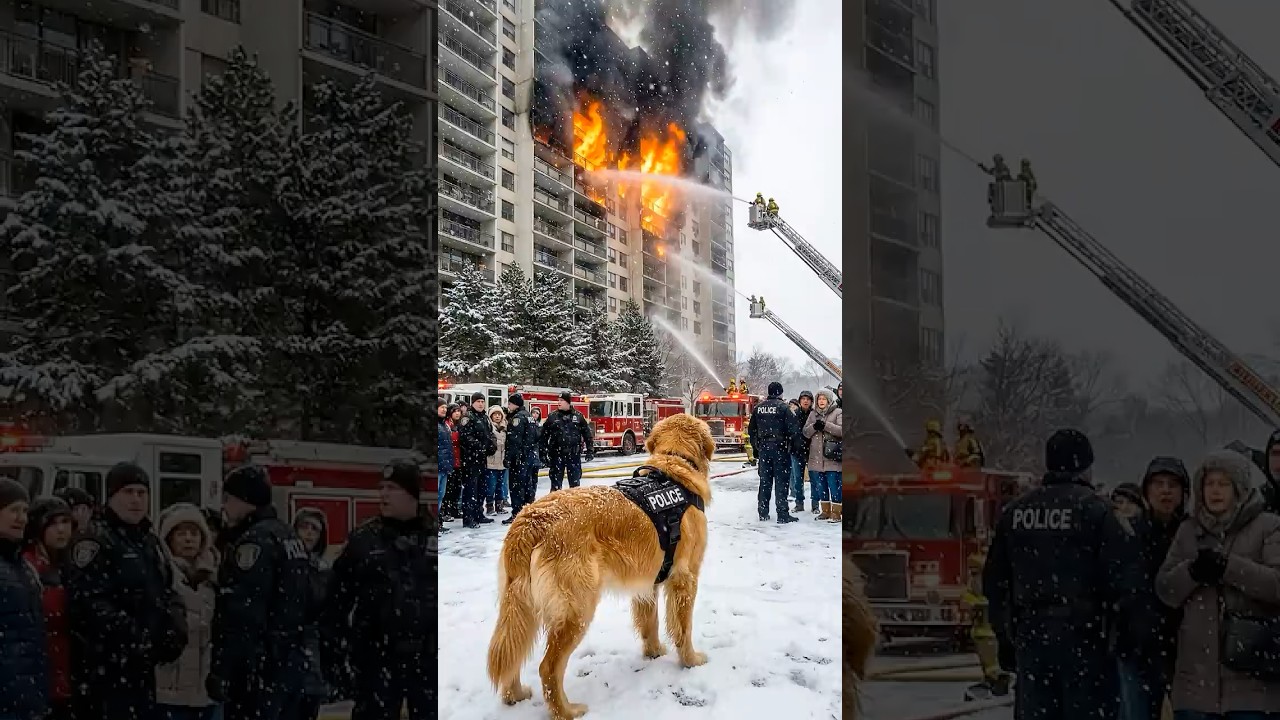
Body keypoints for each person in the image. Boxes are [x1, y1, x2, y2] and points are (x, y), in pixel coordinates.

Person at [983, 429, 1141, 720]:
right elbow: (1126, 581)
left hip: (1032, 637)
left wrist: (1005, 637)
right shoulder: (1099, 512)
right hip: (1086, 639)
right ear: (1086, 466)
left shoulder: (1015, 513)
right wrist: (1120, 636)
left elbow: (995, 583)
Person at [1156, 449, 1280, 719]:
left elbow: (1276, 585)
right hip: (1195, 685)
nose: (1215, 491)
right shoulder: (1188, 530)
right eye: (1209, 483)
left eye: (1223, 484)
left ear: (1239, 489)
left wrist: (1229, 567)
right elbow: (1165, 590)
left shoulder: (1267, 526)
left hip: (1252, 684)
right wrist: (1192, 571)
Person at [65, 462, 188, 720]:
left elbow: (168, 588)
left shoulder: (149, 541)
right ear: (111, 496)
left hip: (142, 669)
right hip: (105, 669)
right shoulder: (94, 539)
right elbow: (89, 603)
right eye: (128, 492)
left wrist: (174, 625)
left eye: (142, 493)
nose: (136, 500)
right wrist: (136, 637)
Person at [321, 461, 431, 719]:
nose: (384, 494)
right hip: (377, 661)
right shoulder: (363, 540)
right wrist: (336, 658)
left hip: (427, 662)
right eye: (382, 487)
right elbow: (335, 603)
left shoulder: (432, 536)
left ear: (412, 494)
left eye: (392, 488)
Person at [207, 465, 310, 720]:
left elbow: (241, 613)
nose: (224, 506)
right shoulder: (287, 535)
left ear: (245, 500)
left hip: (259, 669)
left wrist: (224, 668)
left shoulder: (254, 542)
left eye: (228, 498)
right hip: (290, 662)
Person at [1116, 457, 1188, 720]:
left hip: (1184, 648)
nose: (1165, 491)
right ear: (1146, 490)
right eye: (1158, 484)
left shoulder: (1192, 534)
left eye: (1172, 485)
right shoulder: (1127, 534)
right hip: (1136, 646)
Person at [155, 503, 220, 720]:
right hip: (169, 687)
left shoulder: (214, 578)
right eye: (181, 534)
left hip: (206, 689)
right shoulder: (161, 575)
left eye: (194, 533)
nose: (188, 539)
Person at [0, 478, 49, 720]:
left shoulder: (24, 566)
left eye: (25, 511)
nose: (22, 518)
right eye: (13, 510)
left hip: (26, 693)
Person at [23, 498, 74, 720]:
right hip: (44, 672)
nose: (61, 529)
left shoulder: (74, 562)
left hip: (70, 673)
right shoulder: (29, 567)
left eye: (65, 521)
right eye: (53, 523)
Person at [293, 508, 333, 720]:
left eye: (314, 529)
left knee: (310, 703)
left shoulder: (324, 570)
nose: (309, 533)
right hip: (288, 639)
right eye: (304, 527)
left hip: (315, 642)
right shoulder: (284, 563)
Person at [748, 381, 800, 524]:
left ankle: (763, 512)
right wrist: (793, 448)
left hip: (764, 448)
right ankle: (782, 514)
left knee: (765, 482)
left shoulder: (758, 408)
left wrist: (756, 449)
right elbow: (794, 430)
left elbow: (752, 431)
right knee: (781, 482)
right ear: (781, 393)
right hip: (780, 448)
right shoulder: (784, 408)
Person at [538, 392, 594, 492]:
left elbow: (587, 434)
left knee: (575, 486)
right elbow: (543, 436)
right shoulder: (552, 417)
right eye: (558, 400)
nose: (559, 402)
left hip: (573, 455)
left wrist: (590, 450)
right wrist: (542, 453)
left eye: (562, 400)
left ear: (568, 402)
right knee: (555, 486)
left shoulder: (578, 416)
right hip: (556, 455)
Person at [457, 392, 497, 528]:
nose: (481, 404)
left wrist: (492, 445)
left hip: (482, 459)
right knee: (471, 489)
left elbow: (490, 434)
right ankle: (469, 518)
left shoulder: (485, 417)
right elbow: (465, 437)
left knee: (482, 488)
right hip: (471, 459)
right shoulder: (468, 417)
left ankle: (479, 513)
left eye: (482, 401)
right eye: (478, 401)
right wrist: (480, 447)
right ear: (473, 403)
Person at [803, 389, 843, 523]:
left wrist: (826, 425)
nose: (821, 401)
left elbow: (842, 430)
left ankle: (836, 513)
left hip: (832, 456)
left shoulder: (838, 412)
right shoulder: (813, 414)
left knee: (834, 485)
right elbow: (805, 432)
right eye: (819, 399)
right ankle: (825, 511)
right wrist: (814, 426)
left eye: (823, 399)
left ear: (829, 400)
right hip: (816, 457)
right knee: (821, 486)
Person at [503, 394, 537, 526]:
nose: (508, 406)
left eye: (510, 403)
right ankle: (528, 511)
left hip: (519, 458)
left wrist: (509, 458)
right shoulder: (529, 416)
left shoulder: (517, 418)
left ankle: (517, 513)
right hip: (528, 457)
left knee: (516, 487)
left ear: (515, 404)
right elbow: (535, 436)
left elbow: (514, 441)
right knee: (528, 485)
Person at [792, 391, 818, 514]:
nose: (805, 401)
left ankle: (815, 505)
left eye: (808, 399)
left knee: (814, 479)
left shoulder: (815, 415)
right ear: (800, 401)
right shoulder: (793, 415)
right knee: (798, 479)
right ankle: (799, 503)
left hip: (813, 451)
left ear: (811, 401)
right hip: (797, 451)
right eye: (803, 399)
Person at [486, 407, 510, 515]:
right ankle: (490, 506)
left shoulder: (505, 428)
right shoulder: (489, 428)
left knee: (500, 486)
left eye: (499, 414)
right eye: (495, 414)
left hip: (502, 462)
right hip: (491, 462)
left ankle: (499, 506)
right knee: (491, 486)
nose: (497, 416)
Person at [436, 398, 454, 531]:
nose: (444, 409)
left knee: (440, 496)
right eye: (441, 407)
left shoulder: (445, 425)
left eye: (445, 407)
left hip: (444, 466)